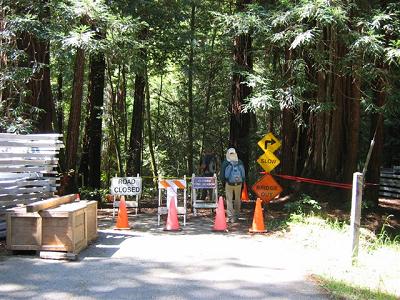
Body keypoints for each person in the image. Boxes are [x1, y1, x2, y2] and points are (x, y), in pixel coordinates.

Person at [220, 147, 245, 223]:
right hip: (238, 184)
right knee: (237, 199)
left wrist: (223, 183)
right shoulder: (239, 162)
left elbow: (222, 175)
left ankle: (230, 217)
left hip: (229, 183)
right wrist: (242, 183)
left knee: (229, 200)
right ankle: (237, 215)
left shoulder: (225, 162)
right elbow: (243, 174)